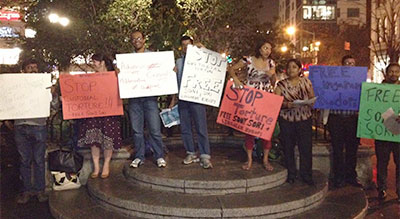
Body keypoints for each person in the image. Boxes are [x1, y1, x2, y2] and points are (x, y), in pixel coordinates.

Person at [5, 59, 49, 203]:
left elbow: (52, 105)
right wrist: (6, 120)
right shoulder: (16, 87)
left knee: (39, 160)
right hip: (21, 126)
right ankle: (27, 190)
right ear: (23, 71)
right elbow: (8, 102)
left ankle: (39, 190)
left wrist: (52, 94)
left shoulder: (44, 86)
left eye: (35, 67)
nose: (33, 70)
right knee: (24, 160)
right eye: (29, 68)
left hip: (38, 126)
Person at [228, 39, 276, 171]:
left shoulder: (271, 63)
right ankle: (249, 159)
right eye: (266, 48)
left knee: (265, 130)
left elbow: (273, 80)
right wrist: (237, 80)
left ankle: (265, 160)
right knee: (249, 130)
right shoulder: (248, 60)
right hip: (250, 97)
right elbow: (231, 69)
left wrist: (272, 75)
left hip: (265, 98)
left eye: (270, 49)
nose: (268, 51)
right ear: (259, 48)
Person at [169, 36, 212, 169]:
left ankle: (205, 155)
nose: (186, 48)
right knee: (185, 128)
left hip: (197, 98)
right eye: (184, 45)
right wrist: (173, 99)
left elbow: (212, 62)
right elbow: (176, 82)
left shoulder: (201, 60)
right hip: (183, 98)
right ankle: (191, 152)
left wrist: (203, 48)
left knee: (201, 127)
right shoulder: (179, 62)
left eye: (189, 45)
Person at [77, 54, 122, 179]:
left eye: (95, 61)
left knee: (108, 138)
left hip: (109, 112)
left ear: (102, 62)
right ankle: (96, 167)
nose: (93, 64)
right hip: (94, 113)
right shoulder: (91, 78)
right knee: (94, 140)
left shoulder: (114, 76)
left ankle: (106, 165)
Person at [128, 30, 167, 168]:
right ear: (131, 42)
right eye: (133, 39)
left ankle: (159, 156)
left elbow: (163, 71)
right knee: (137, 131)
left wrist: (170, 69)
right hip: (134, 99)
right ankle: (139, 156)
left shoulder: (153, 56)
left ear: (144, 40)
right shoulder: (127, 59)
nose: (136, 40)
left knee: (155, 129)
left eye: (139, 38)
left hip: (150, 98)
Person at [274, 58, 315, 185]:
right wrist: (287, 105)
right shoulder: (281, 85)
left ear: (299, 69)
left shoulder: (306, 82)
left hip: (304, 119)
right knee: (288, 147)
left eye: (294, 67)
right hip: (287, 119)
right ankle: (291, 173)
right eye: (289, 67)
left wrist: (309, 102)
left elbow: (312, 98)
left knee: (305, 148)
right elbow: (275, 102)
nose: (291, 69)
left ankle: (306, 174)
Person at [327, 55, 363, 189]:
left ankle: (351, 176)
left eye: (352, 63)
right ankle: (339, 177)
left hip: (352, 119)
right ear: (342, 65)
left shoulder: (360, 82)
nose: (349, 65)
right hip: (336, 118)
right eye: (347, 63)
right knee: (337, 149)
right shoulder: (333, 80)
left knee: (352, 150)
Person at [375, 63, 400, 202]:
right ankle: (382, 189)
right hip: (382, 133)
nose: (394, 74)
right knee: (382, 163)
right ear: (386, 73)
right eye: (391, 71)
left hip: (398, 134)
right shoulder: (377, 90)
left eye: (396, 71)